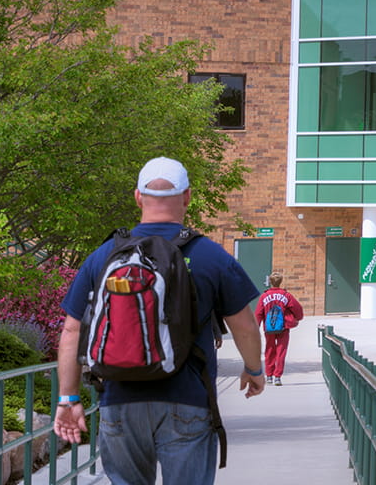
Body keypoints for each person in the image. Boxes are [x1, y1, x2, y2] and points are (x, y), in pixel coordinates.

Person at [53, 157, 265, 484]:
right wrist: (253, 369)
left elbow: (71, 329)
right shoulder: (210, 255)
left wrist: (68, 398)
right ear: (188, 197)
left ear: (138, 196)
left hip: (119, 401)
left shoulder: (105, 255)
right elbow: (245, 326)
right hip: (188, 400)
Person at [255, 274, 303, 386]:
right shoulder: (286, 295)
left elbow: (258, 313)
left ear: (270, 282)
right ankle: (278, 377)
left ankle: (269, 376)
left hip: (269, 328)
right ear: (281, 282)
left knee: (269, 350)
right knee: (281, 351)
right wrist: (297, 318)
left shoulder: (264, 296)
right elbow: (298, 309)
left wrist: (255, 328)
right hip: (284, 328)